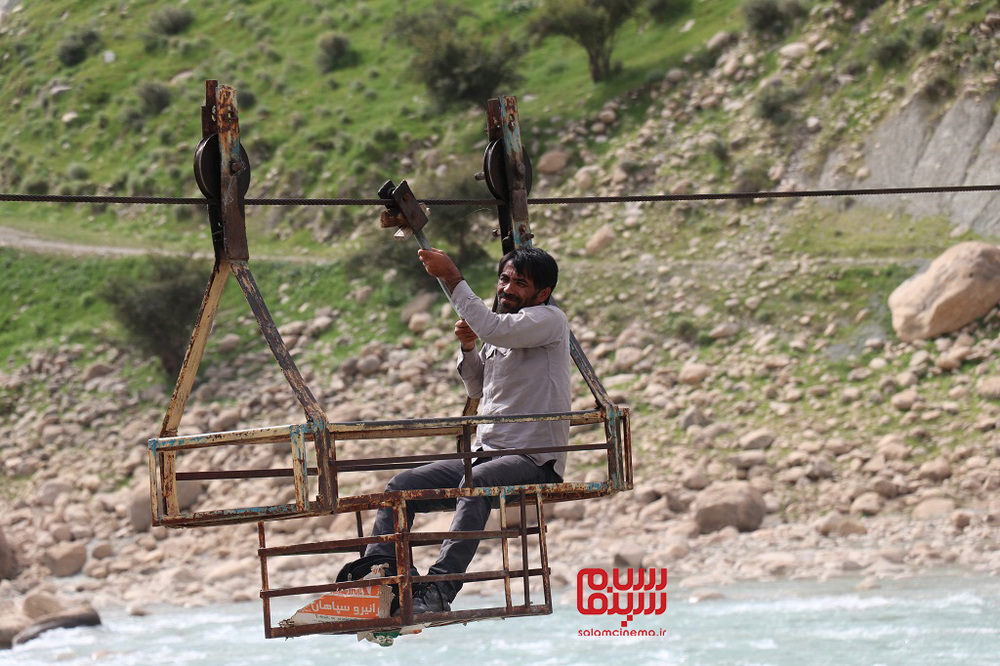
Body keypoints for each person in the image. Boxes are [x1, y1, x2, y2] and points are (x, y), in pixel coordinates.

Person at [362, 246, 571, 615]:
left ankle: (440, 590)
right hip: (486, 455)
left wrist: (452, 277)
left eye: (519, 284)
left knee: (474, 486)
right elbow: (478, 389)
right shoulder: (503, 329)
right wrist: (469, 347)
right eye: (504, 279)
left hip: (532, 458)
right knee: (400, 489)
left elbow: (494, 327)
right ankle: (383, 578)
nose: (507, 288)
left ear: (542, 294)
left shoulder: (547, 320)